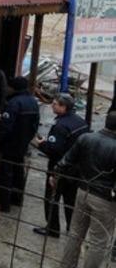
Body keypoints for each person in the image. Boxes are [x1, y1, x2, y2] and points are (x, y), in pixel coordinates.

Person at [55, 111, 116, 268]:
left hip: (83, 192)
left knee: (75, 234)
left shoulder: (86, 138)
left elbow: (65, 162)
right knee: (99, 242)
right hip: (105, 199)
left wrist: (55, 175)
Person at [31, 93, 89, 238]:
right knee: (70, 200)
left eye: (55, 104)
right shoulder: (81, 122)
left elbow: (54, 150)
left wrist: (42, 144)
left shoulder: (61, 126)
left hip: (60, 168)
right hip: (77, 169)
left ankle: (53, 228)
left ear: (63, 107)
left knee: (51, 198)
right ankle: (72, 229)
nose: (52, 105)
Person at [0, 76, 40, 211]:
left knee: (6, 174)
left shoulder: (13, 103)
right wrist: (27, 140)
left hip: (10, 144)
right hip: (23, 144)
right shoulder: (33, 102)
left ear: (14, 88)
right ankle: (17, 200)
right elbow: (35, 125)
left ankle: (4, 204)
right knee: (19, 172)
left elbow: (6, 127)